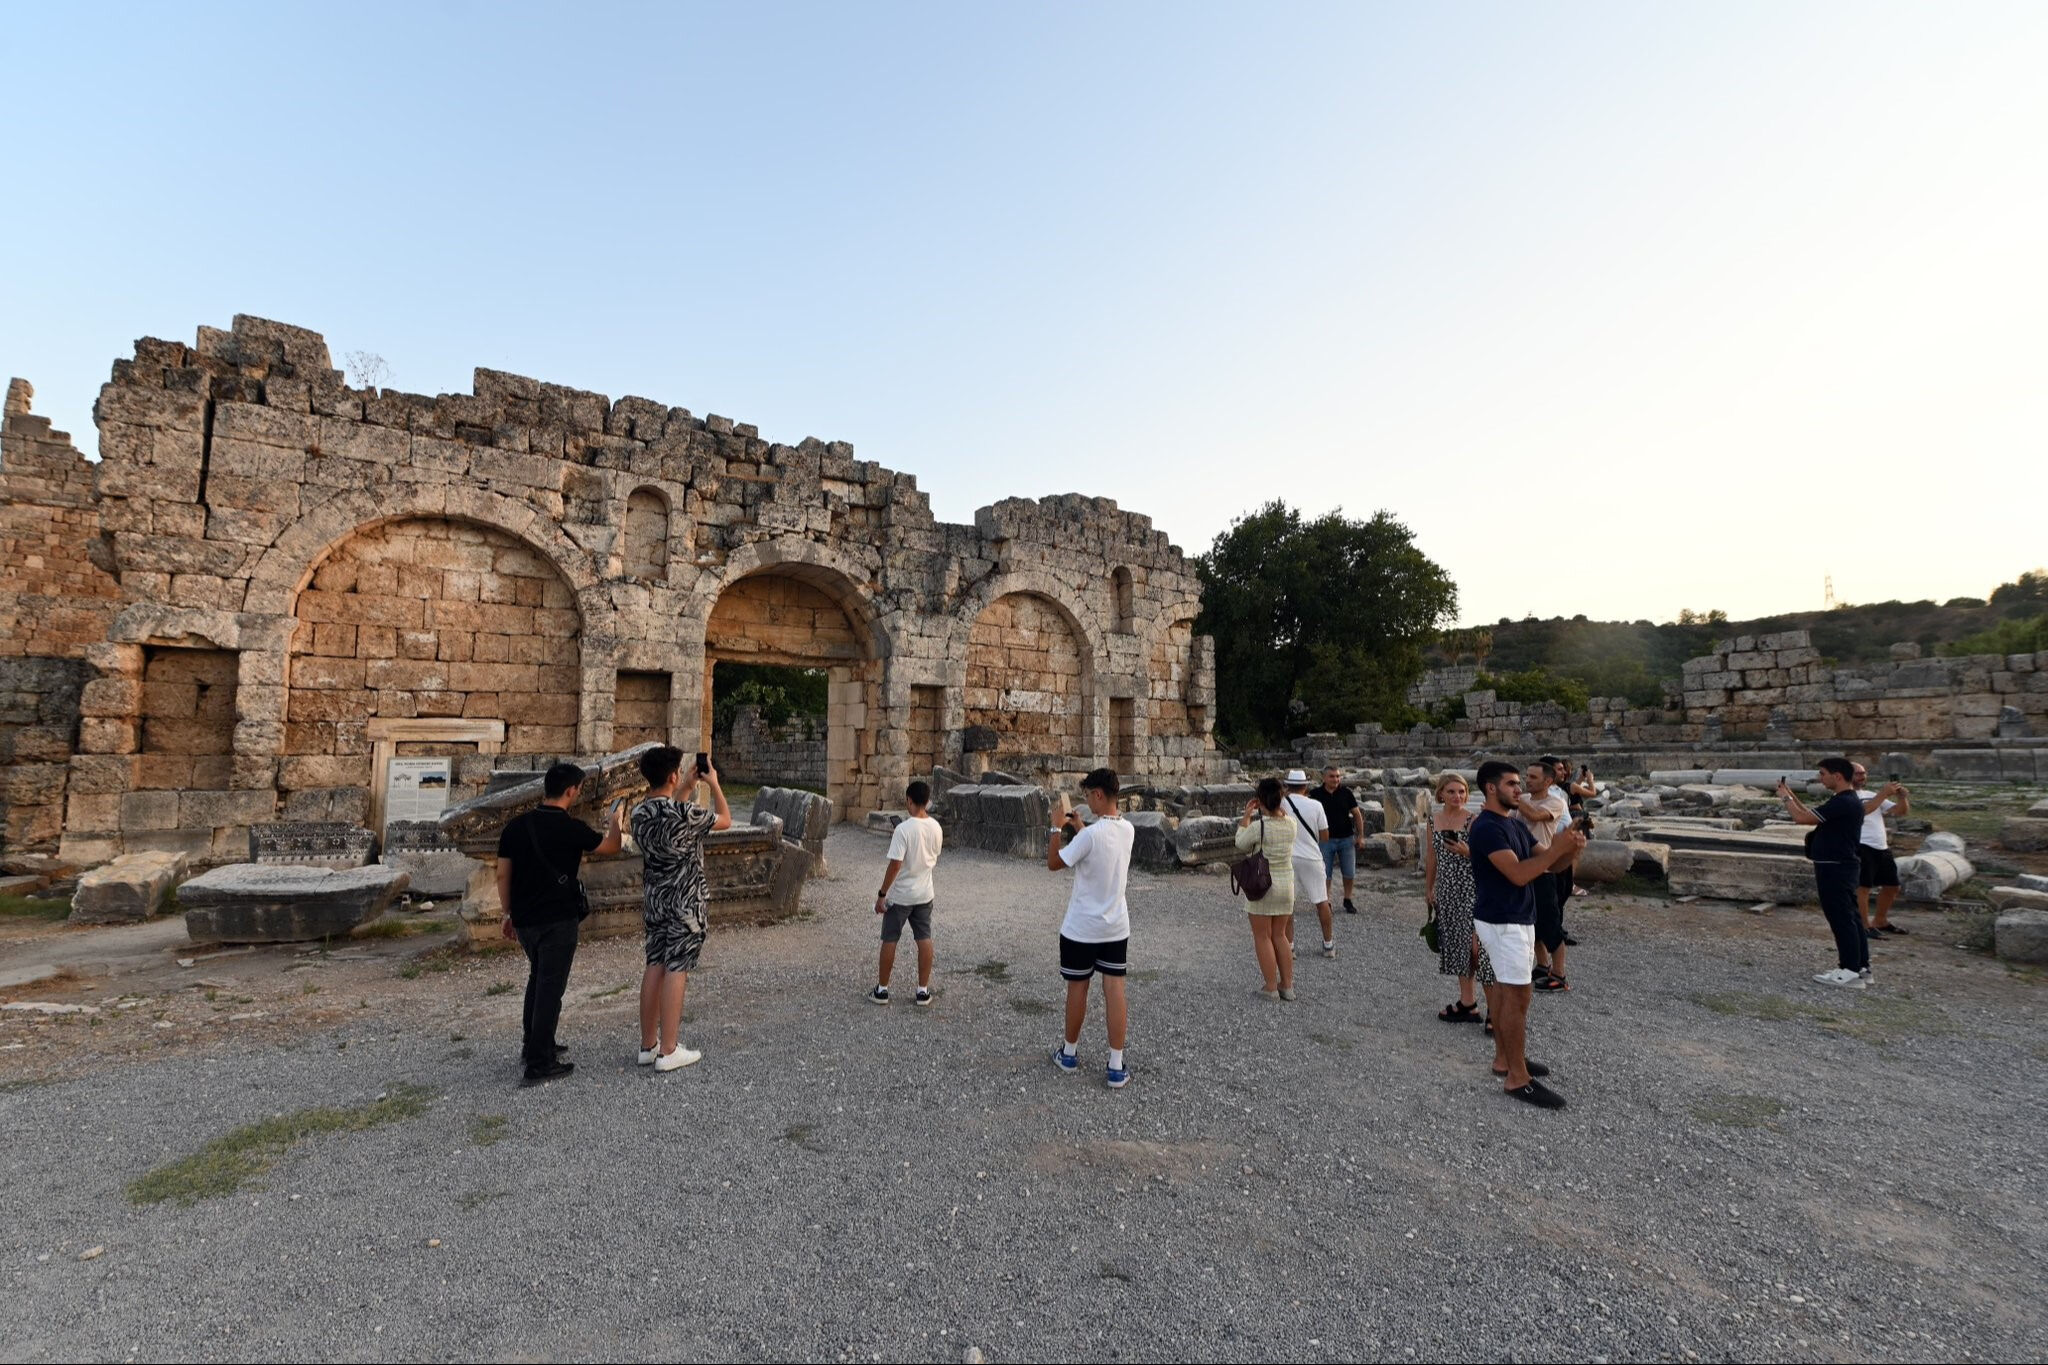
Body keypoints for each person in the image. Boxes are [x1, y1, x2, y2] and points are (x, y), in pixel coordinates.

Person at [496, 761, 625, 1087]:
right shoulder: (571, 828)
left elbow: (502, 874)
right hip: (557, 919)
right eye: (578, 789)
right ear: (570, 791)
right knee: (550, 988)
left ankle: (533, 1043)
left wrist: (507, 913)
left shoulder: (516, 826)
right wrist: (616, 822)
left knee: (537, 979)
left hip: (525, 918)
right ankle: (539, 1063)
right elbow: (611, 847)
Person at [1468, 759, 1586, 1108]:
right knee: (1517, 998)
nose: (1519, 789)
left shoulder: (1514, 824)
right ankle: (1518, 1078)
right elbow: (1519, 875)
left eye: (1520, 783)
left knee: (1507, 994)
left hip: (1514, 918)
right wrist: (1559, 848)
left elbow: (1547, 864)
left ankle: (1506, 1060)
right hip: (1504, 921)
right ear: (1491, 788)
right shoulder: (1487, 828)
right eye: (1511, 784)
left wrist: (1570, 849)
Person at [630, 746, 732, 1071]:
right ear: (673, 775)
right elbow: (725, 820)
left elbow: (669, 815)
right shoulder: (686, 814)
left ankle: (648, 1045)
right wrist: (713, 783)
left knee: (655, 964)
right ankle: (669, 1049)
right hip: (686, 901)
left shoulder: (638, 814)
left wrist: (686, 787)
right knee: (677, 967)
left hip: (656, 899)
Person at [1778, 759, 1904, 987]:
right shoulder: (1846, 800)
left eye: (1823, 773)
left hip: (1835, 867)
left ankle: (1849, 970)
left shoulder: (1843, 802)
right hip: (1841, 865)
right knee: (1852, 917)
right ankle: (1861, 967)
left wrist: (1785, 799)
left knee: (1841, 919)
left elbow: (1801, 818)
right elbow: (1809, 813)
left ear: (1837, 776)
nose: (1820, 778)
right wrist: (1790, 795)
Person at [1047, 768, 1136, 1089]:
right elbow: (1099, 845)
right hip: (1115, 926)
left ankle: (1069, 1053)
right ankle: (1116, 1064)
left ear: (1099, 794)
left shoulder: (1090, 837)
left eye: (1088, 795)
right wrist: (1080, 827)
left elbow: (1054, 863)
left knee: (1078, 988)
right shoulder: (1127, 830)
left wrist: (1056, 827)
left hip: (1082, 928)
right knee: (1115, 991)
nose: (1086, 801)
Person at [1423, 772, 1492, 1022]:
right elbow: (1432, 856)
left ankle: (1494, 1008)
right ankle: (1468, 1002)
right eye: (1451, 791)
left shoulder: (1474, 820)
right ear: (1441, 794)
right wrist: (1429, 888)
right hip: (1448, 891)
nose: (1457, 796)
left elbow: (1489, 858)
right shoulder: (1434, 820)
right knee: (1459, 947)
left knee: (1478, 950)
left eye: (1462, 791)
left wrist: (1468, 852)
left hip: (1472, 888)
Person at [873, 780, 944, 1005]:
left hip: (902, 895)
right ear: (927, 801)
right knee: (924, 938)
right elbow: (934, 856)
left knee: (890, 938)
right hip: (925, 892)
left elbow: (895, 865)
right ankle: (922, 990)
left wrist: (882, 894)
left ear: (909, 800)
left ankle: (882, 990)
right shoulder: (936, 827)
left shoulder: (903, 830)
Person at [1234, 776, 1299, 1000]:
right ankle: (1287, 986)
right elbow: (1284, 820)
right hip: (1286, 884)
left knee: (1263, 937)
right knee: (1280, 935)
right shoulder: (1291, 824)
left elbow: (1240, 843)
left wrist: (1246, 817)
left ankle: (1270, 986)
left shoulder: (1258, 826)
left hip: (1263, 884)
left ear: (1260, 800)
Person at [1515, 760, 1573, 992]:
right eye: (1526, 776)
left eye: (1533, 777)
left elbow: (1536, 816)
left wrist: (1513, 799)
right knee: (1532, 920)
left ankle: (1559, 974)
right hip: (1522, 867)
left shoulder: (1556, 802)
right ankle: (1542, 965)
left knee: (1550, 923)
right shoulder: (1523, 799)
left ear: (1548, 781)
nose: (1527, 780)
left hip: (1544, 869)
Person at [1850, 762, 1911, 936]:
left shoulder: (1871, 795)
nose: (1862, 776)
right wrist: (1883, 793)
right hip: (1861, 845)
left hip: (1881, 846)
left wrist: (1901, 797)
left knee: (1892, 886)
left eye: (1864, 773)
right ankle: (1864, 926)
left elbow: (1899, 811)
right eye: (1858, 773)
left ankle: (1880, 920)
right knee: (1863, 888)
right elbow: (1862, 811)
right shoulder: (1844, 796)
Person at [1279, 769, 1334, 957]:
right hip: (1311, 857)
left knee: (1289, 904)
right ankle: (1328, 945)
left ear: (1287, 786)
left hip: (1288, 856)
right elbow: (1325, 836)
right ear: (1305, 786)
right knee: (1321, 901)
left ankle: (1290, 946)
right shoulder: (1316, 805)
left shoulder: (1282, 804)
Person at [1309, 766, 1366, 915]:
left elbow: (1357, 814)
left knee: (1349, 872)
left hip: (1346, 839)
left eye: (1338, 776)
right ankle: (1326, 901)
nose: (1336, 779)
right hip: (1325, 840)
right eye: (1332, 776)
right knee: (1325, 873)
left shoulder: (1346, 793)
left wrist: (1360, 836)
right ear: (1324, 778)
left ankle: (1348, 899)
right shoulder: (1315, 794)